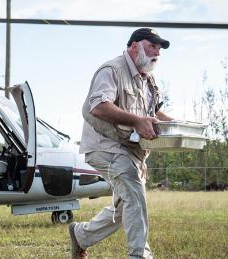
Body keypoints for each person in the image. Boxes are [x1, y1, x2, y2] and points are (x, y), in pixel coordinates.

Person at [69, 28, 174, 259]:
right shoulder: (112, 70)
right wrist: (136, 121)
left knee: (124, 205)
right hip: (104, 147)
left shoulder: (148, 80)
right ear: (134, 45)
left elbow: (154, 112)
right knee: (135, 194)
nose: (156, 52)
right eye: (152, 46)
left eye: (159, 49)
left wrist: (177, 125)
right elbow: (99, 106)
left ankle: (81, 236)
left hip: (131, 152)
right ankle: (140, 255)